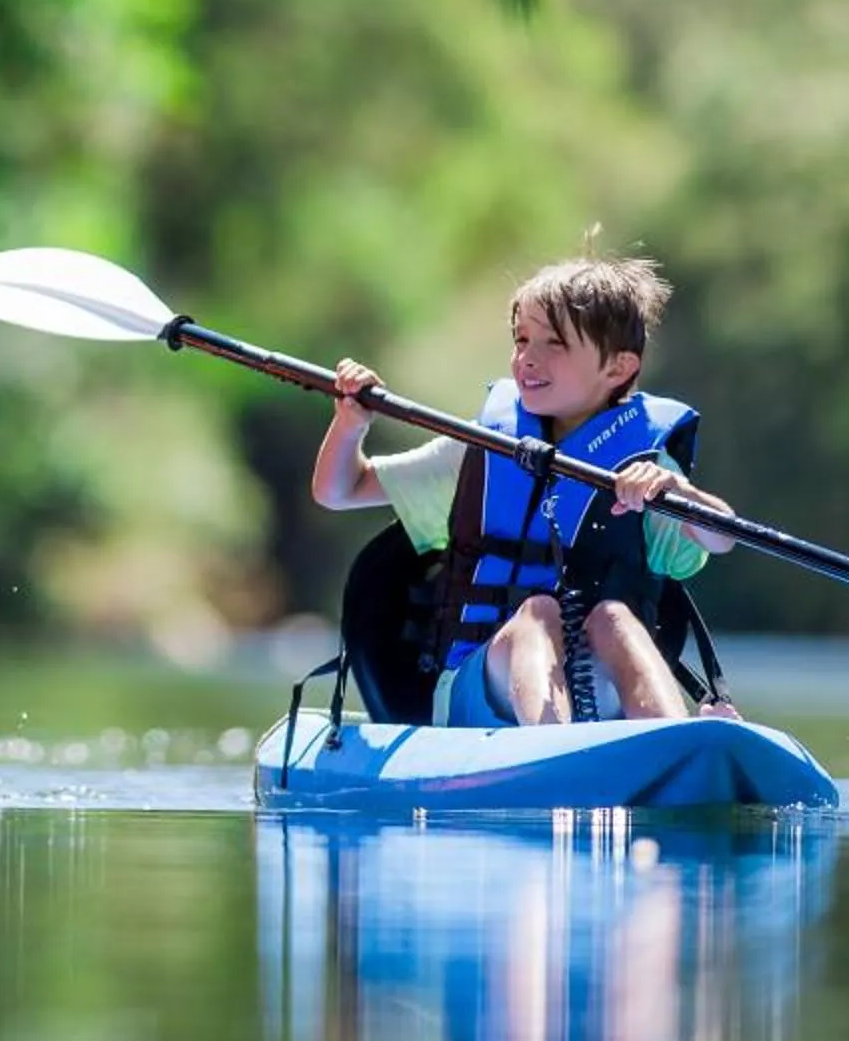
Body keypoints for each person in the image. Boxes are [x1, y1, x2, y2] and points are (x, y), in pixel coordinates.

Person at [308, 248, 738, 725]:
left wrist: (678, 492)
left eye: (554, 344)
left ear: (617, 368)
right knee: (537, 614)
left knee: (613, 618)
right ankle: (550, 747)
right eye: (521, 340)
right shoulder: (482, 450)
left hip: (603, 692)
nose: (526, 360)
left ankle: (669, 740)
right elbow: (340, 490)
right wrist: (350, 423)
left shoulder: (646, 470)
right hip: (480, 691)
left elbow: (721, 537)